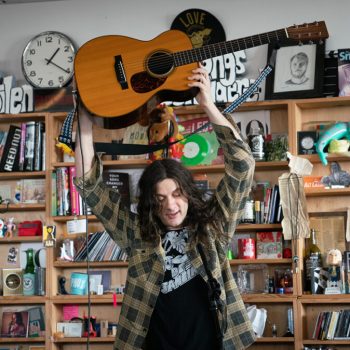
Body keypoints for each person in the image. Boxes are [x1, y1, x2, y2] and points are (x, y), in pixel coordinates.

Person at [73, 65, 256, 350]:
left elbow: (243, 165)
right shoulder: (136, 232)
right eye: (159, 200)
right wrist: (84, 119)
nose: (170, 206)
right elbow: (90, 185)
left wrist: (207, 103)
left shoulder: (213, 225)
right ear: (150, 204)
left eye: (177, 194)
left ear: (188, 193)